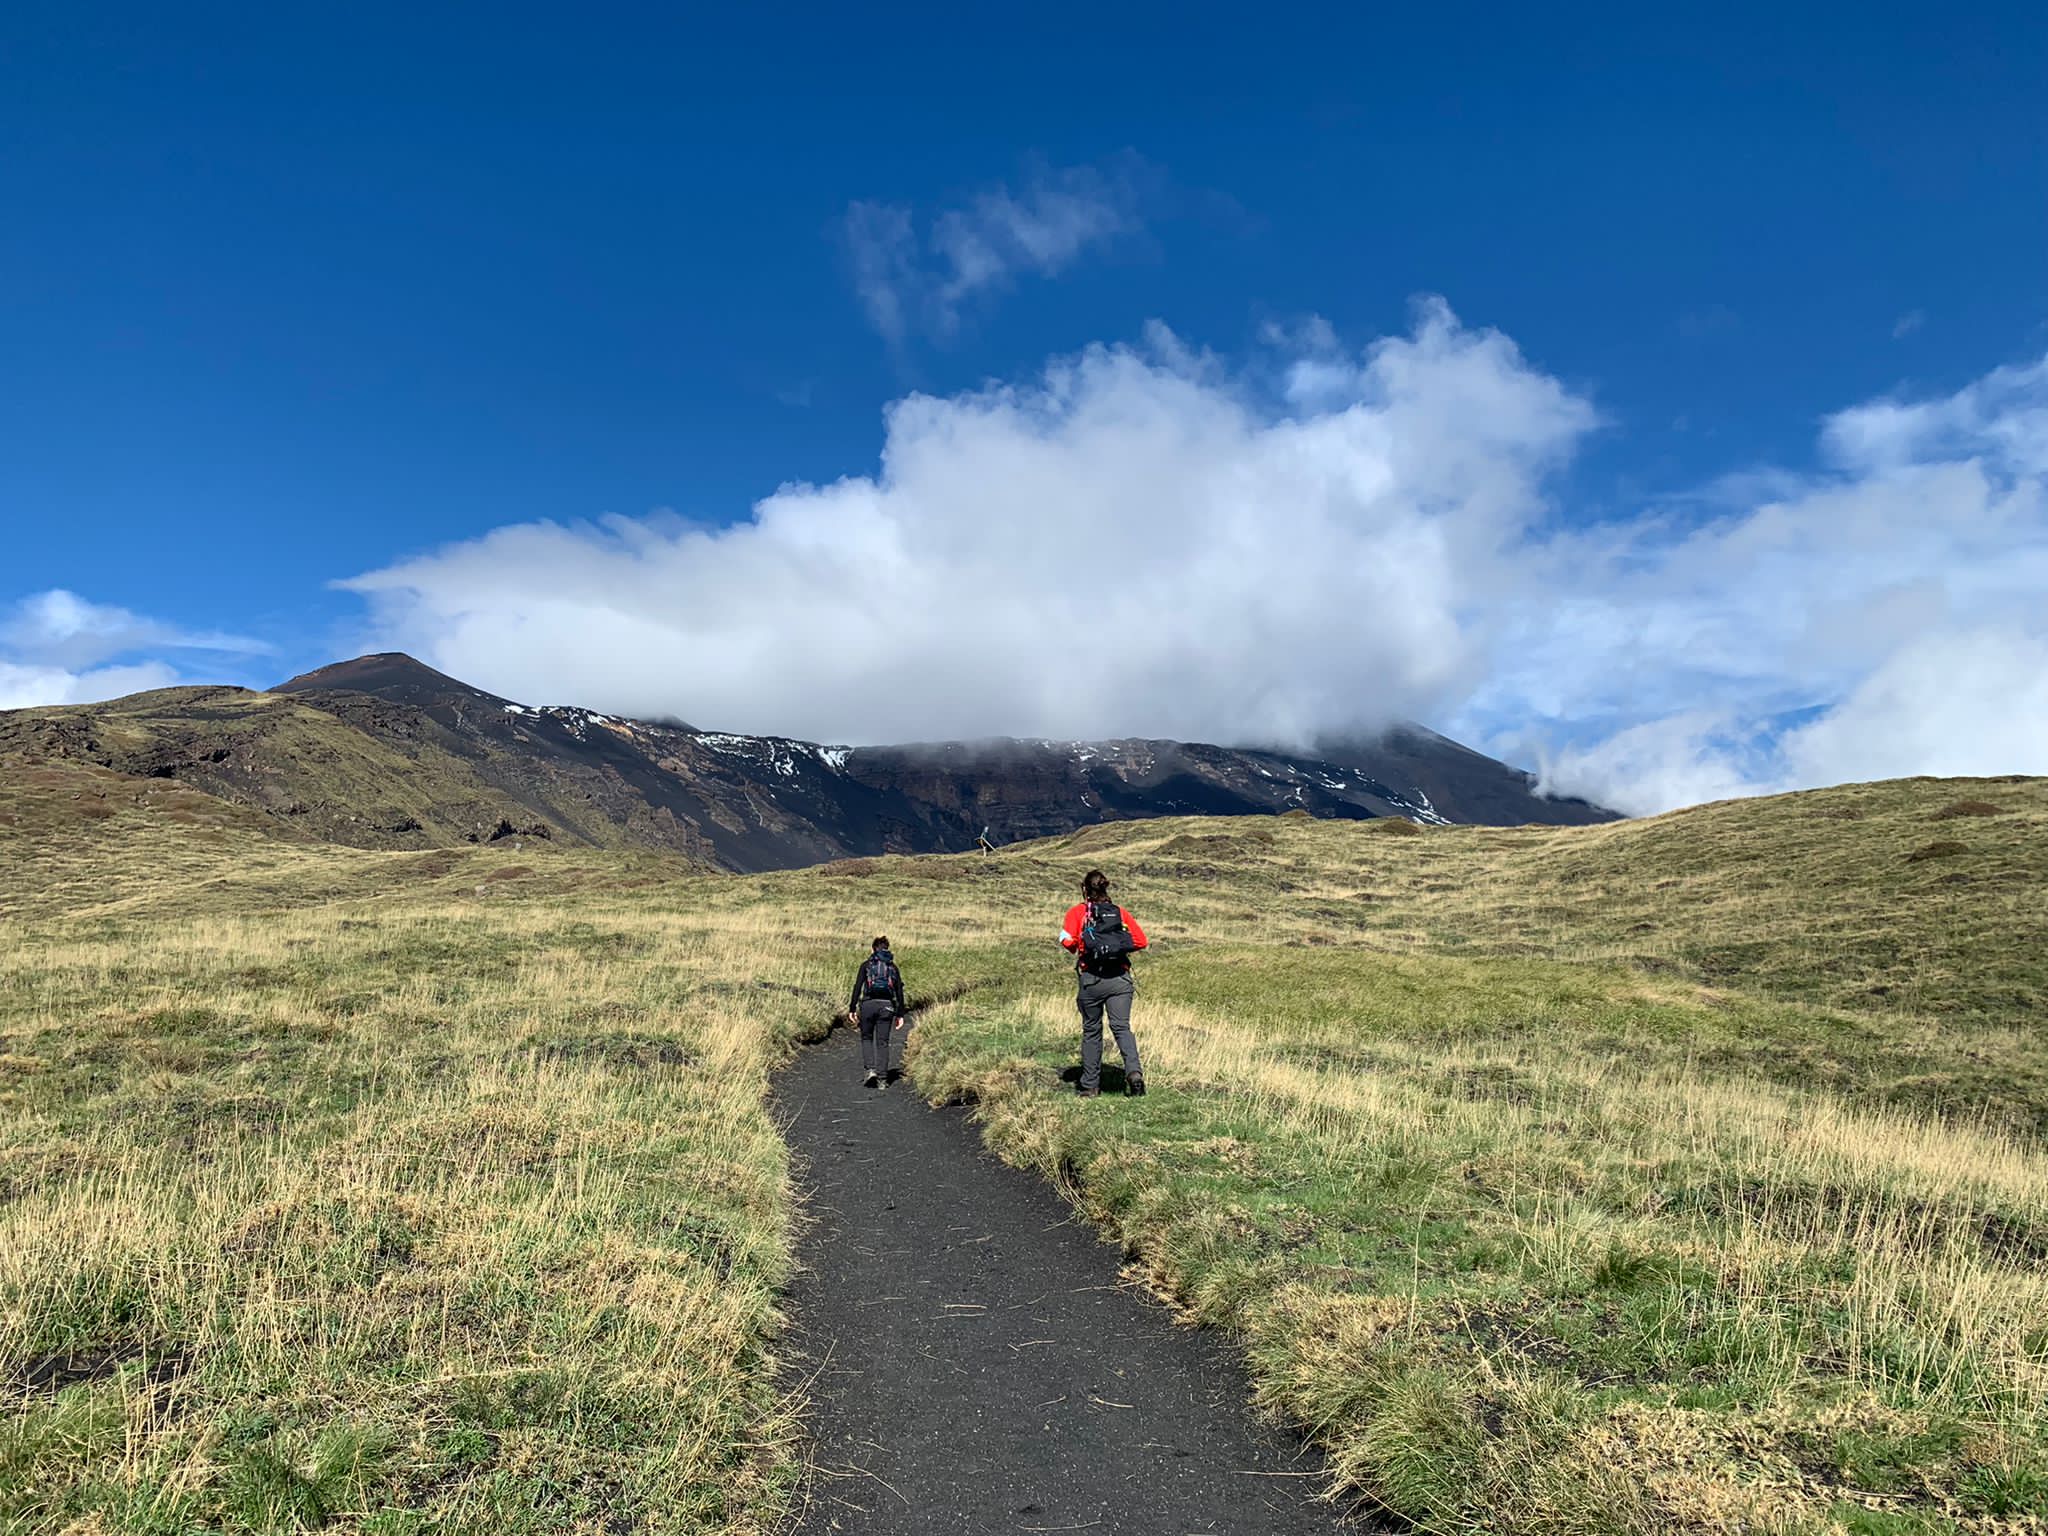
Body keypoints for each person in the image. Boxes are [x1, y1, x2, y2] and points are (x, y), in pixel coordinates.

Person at [1058, 870, 1148, 1098]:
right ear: (1106, 889)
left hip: (1092, 980)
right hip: (1120, 979)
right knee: (1121, 1027)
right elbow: (1141, 941)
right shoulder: (1119, 913)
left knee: (1091, 1030)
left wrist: (1082, 944)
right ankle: (1134, 1075)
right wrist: (1117, 946)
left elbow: (1067, 942)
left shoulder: (1078, 913)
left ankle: (1090, 1086)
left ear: (1084, 889)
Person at [847, 935, 907, 1090]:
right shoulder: (893, 967)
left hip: (867, 1005)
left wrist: (852, 1008)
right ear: (887, 948)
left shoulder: (866, 965)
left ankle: (870, 1069)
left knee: (867, 1038)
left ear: (873, 949)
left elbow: (857, 987)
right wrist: (900, 1014)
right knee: (883, 1042)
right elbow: (899, 991)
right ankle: (882, 1079)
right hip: (887, 1006)